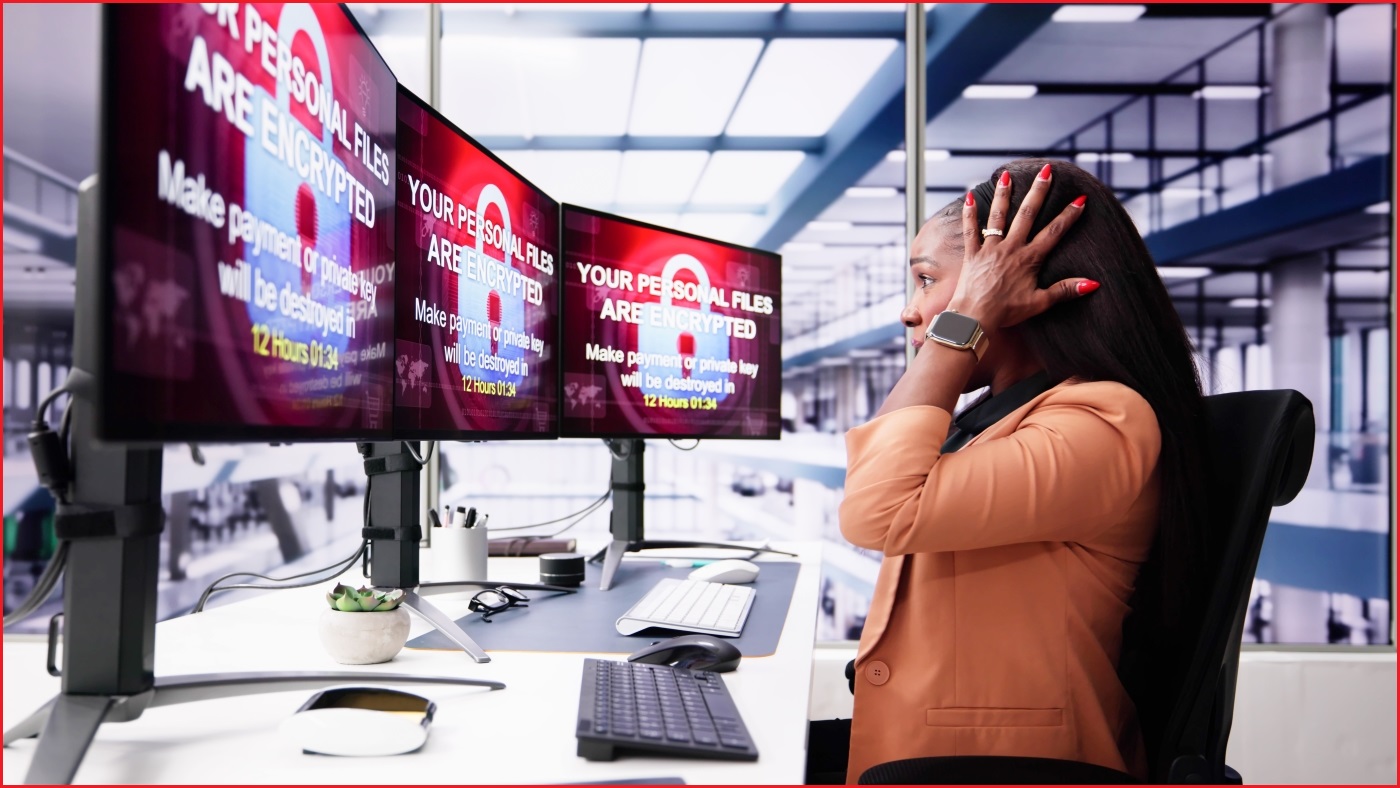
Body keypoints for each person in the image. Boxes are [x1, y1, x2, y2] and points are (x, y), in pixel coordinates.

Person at [836, 159, 1209, 782]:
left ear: (1005, 285)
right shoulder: (997, 418)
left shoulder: (1102, 424)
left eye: (927, 280)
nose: (910, 310)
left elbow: (879, 508)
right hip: (932, 757)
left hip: (999, 770)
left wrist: (965, 317)